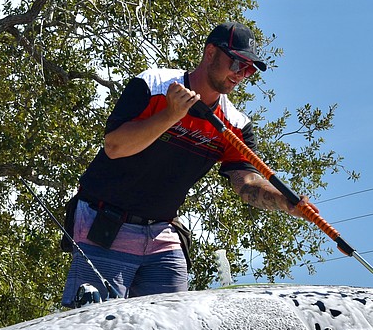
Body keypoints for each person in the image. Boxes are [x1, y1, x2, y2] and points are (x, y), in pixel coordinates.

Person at [61, 22, 313, 306]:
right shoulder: (154, 84)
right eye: (237, 63)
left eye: (249, 69)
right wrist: (171, 115)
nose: (240, 75)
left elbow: (246, 182)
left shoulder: (236, 125)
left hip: (162, 234)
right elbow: (115, 147)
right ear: (210, 53)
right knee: (96, 329)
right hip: (105, 226)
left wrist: (287, 202)